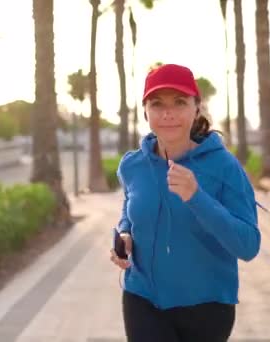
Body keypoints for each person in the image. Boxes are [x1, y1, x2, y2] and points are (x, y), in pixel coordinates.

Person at [110, 63, 261, 342]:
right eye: (157, 103)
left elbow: (249, 245)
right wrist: (125, 233)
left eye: (179, 102)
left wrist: (196, 197)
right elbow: (130, 206)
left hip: (206, 308)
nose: (168, 113)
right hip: (142, 298)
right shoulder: (133, 165)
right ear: (145, 111)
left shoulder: (224, 166)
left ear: (196, 107)